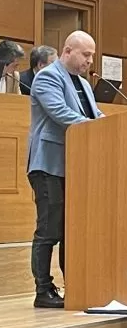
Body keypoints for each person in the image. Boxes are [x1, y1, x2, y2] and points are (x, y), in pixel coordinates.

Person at [27, 31, 103, 308]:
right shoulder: (47, 77)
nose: (90, 61)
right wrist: (98, 127)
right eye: (86, 54)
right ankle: (43, 290)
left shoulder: (83, 84)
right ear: (68, 51)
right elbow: (61, 113)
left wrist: (110, 126)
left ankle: (75, 283)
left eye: (92, 55)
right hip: (49, 164)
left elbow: (95, 115)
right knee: (49, 230)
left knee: (72, 229)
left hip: (76, 166)